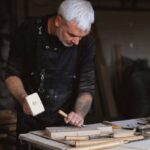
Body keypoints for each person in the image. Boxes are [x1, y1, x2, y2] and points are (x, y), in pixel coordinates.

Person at [4, 0, 95, 149]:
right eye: (72, 34)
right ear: (59, 21)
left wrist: (78, 114)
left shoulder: (86, 43)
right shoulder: (29, 31)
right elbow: (11, 74)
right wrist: (23, 99)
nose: (77, 42)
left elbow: (87, 85)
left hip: (65, 123)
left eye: (81, 37)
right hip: (30, 121)